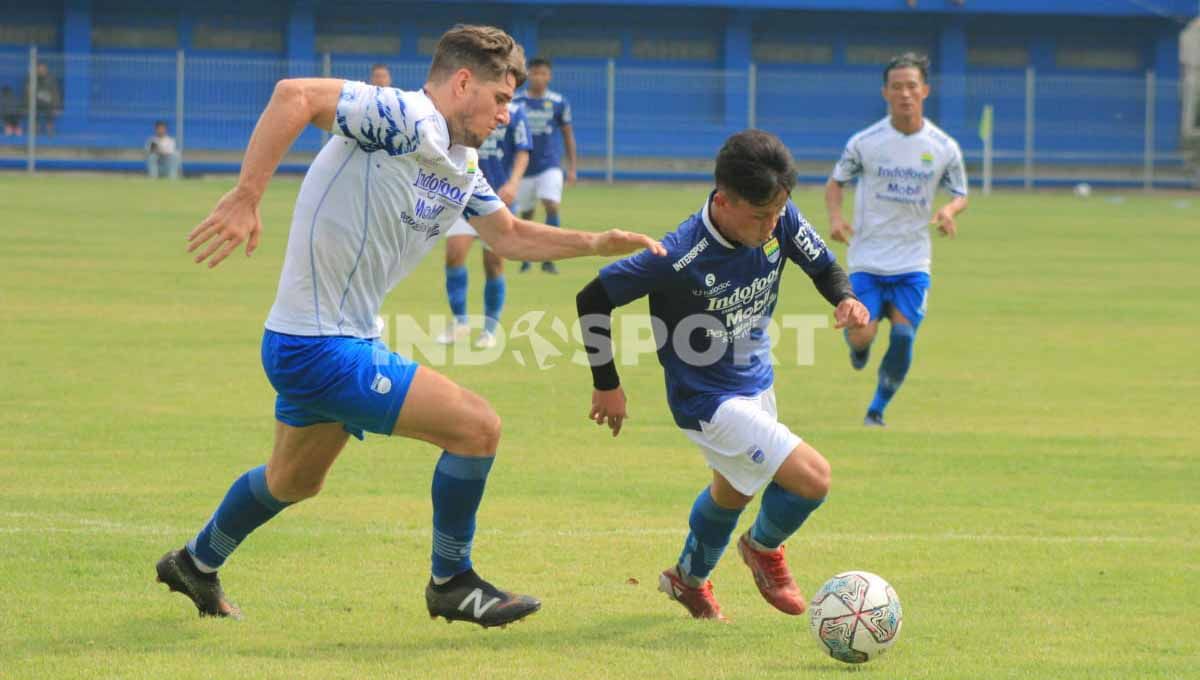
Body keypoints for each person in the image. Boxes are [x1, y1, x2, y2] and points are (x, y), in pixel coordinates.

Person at [157, 24, 664, 629]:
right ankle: (452, 581)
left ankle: (196, 562)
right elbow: (294, 94)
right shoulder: (403, 115)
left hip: (329, 340)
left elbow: (507, 234)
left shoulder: (460, 163)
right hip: (321, 346)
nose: (507, 114)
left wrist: (596, 241)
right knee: (477, 428)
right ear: (462, 81)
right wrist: (246, 195)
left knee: (292, 481)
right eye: (501, 99)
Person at [575, 130, 869, 620]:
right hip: (705, 400)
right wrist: (607, 383)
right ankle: (763, 548)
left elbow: (823, 266)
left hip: (756, 381)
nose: (773, 225)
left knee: (732, 492)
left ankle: (687, 579)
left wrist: (844, 297)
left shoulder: (779, 218)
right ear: (723, 200)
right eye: (760, 217)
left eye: (778, 212)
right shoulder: (678, 254)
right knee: (812, 479)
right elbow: (593, 298)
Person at [824, 53, 968, 427]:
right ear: (885, 92)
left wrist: (949, 212)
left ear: (926, 90)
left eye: (912, 86)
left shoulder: (943, 146)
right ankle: (860, 348)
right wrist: (836, 218)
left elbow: (960, 192)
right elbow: (836, 182)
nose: (905, 93)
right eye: (897, 87)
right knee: (861, 336)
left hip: (912, 261)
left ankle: (877, 409)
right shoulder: (865, 142)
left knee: (903, 336)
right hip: (868, 259)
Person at [437, 99, 531, 347]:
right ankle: (460, 322)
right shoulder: (469, 105)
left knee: (493, 264)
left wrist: (513, 183)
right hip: (465, 194)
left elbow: (523, 150)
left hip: (498, 197)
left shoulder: (515, 112)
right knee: (454, 255)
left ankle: (489, 329)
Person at [514, 57, 576, 274]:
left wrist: (572, 167)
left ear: (549, 76)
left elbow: (568, 135)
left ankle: (549, 258)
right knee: (527, 213)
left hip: (550, 164)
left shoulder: (559, 103)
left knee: (551, 203)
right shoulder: (516, 102)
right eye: (535, 73)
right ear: (528, 74)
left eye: (543, 73)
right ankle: (527, 257)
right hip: (523, 167)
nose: (539, 77)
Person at [23, 62, 60, 135]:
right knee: (33, 111)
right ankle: (36, 130)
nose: (41, 71)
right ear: (36, 70)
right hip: (35, 102)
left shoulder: (51, 79)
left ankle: (50, 130)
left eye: (43, 69)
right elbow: (26, 93)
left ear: (46, 70)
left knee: (50, 111)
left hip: (47, 102)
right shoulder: (31, 78)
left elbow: (55, 93)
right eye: (39, 69)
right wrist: (26, 105)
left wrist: (56, 107)